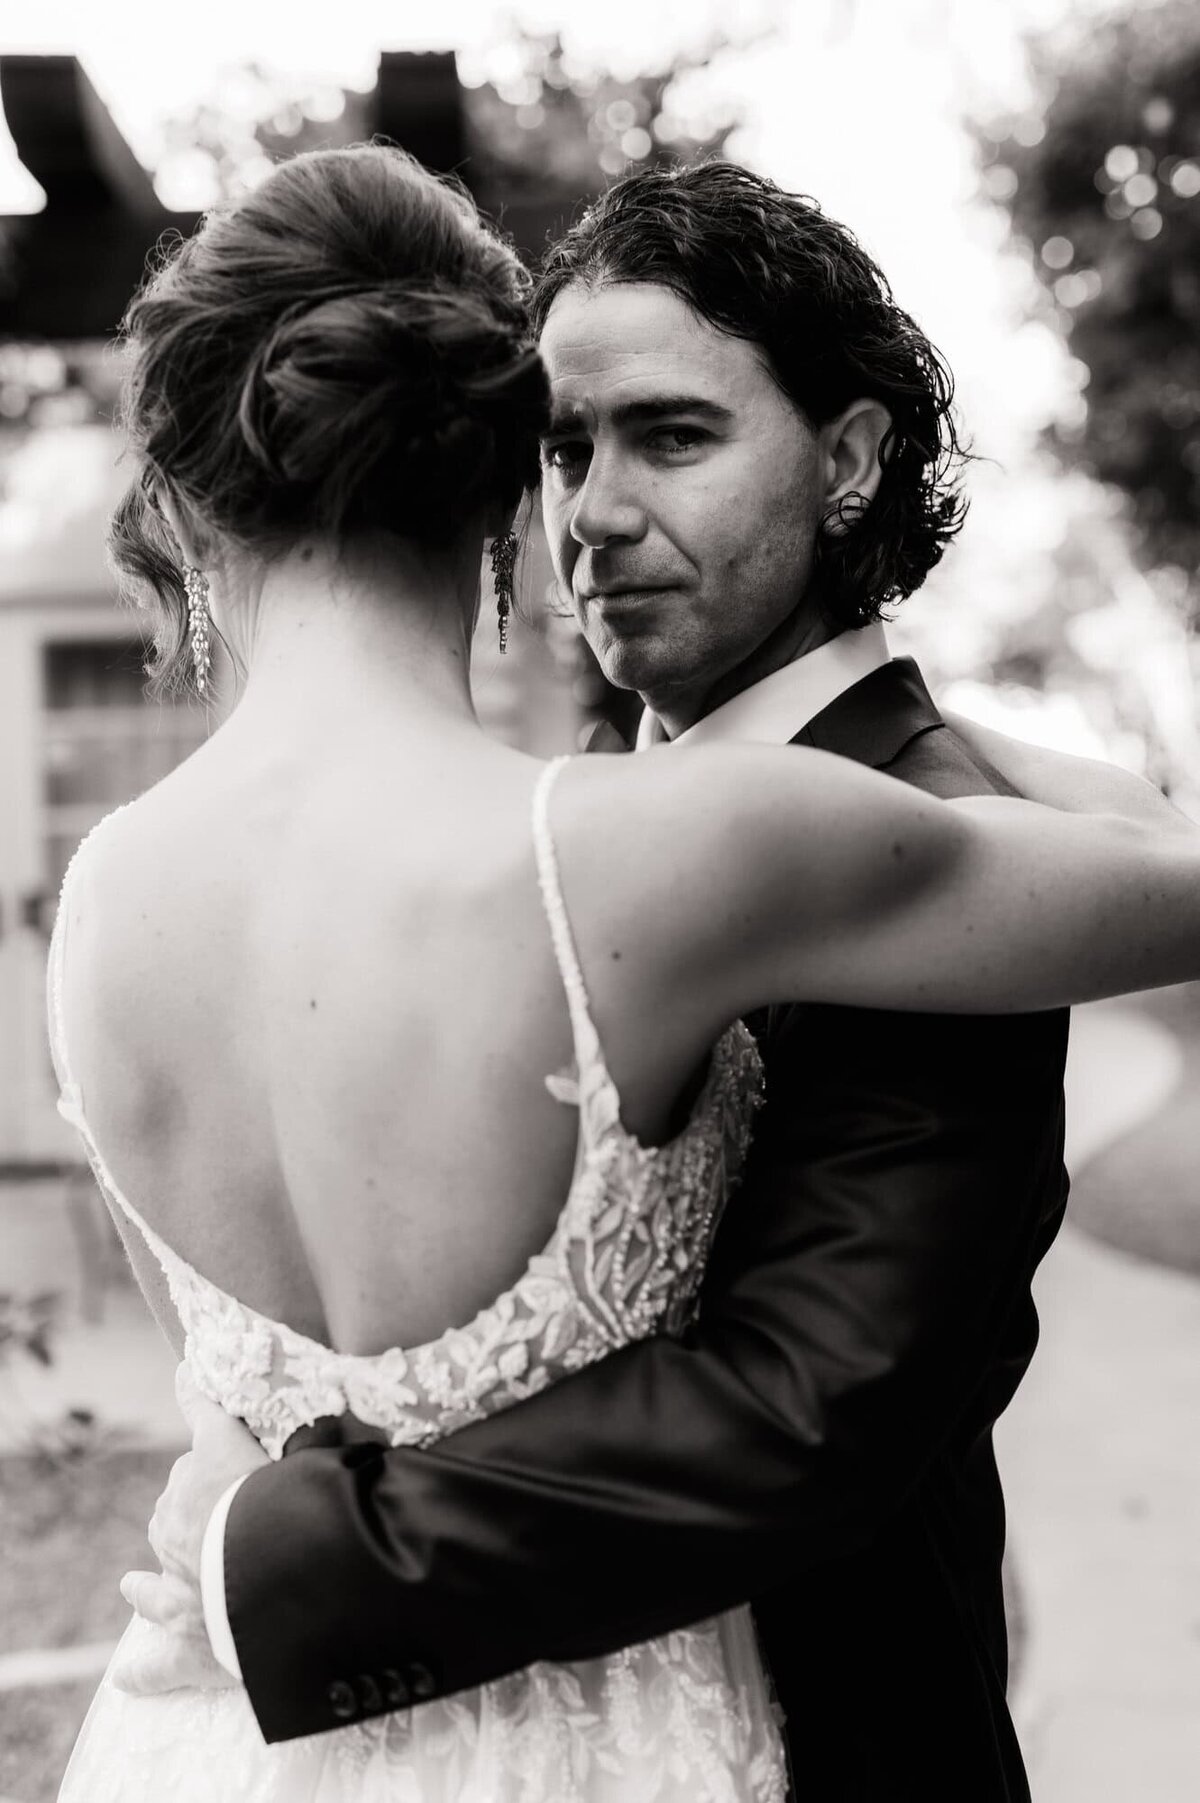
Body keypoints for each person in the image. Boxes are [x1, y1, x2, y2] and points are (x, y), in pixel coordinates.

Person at [53, 146, 1199, 1803]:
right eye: (561, 443)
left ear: (852, 459)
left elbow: (805, 1415)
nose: (591, 512)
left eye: (671, 435)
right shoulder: (611, 808)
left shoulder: (885, 830)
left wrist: (267, 1550)